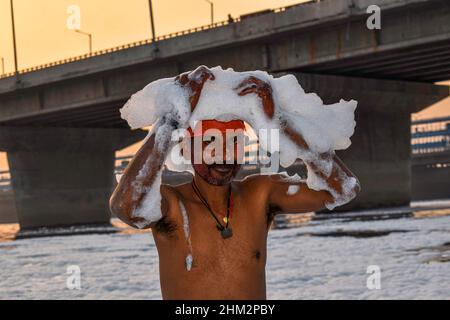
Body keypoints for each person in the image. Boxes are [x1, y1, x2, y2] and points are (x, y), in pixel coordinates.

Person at [110, 66, 360, 299]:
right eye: (210, 143)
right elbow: (126, 207)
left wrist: (280, 123)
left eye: (233, 143)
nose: (223, 154)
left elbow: (343, 189)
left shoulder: (260, 195)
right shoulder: (173, 205)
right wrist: (173, 119)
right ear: (186, 149)